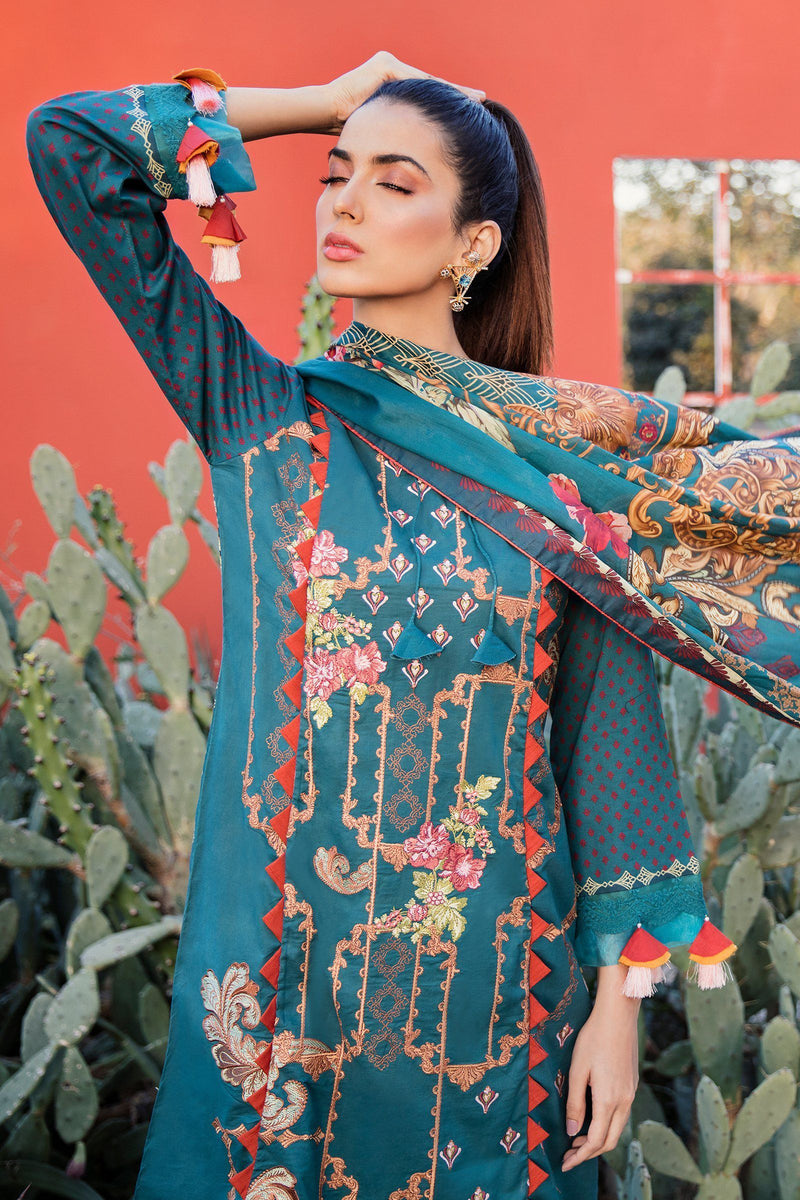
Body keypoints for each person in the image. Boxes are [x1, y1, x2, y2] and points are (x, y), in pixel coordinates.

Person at [26, 50, 800, 1200]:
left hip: (498, 1017)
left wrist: (615, 1012)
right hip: (278, 1004)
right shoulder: (264, 422)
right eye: (334, 173)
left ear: (471, 243)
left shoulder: (549, 475)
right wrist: (320, 103)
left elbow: (604, 741)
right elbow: (68, 144)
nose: (341, 203)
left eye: (391, 183)